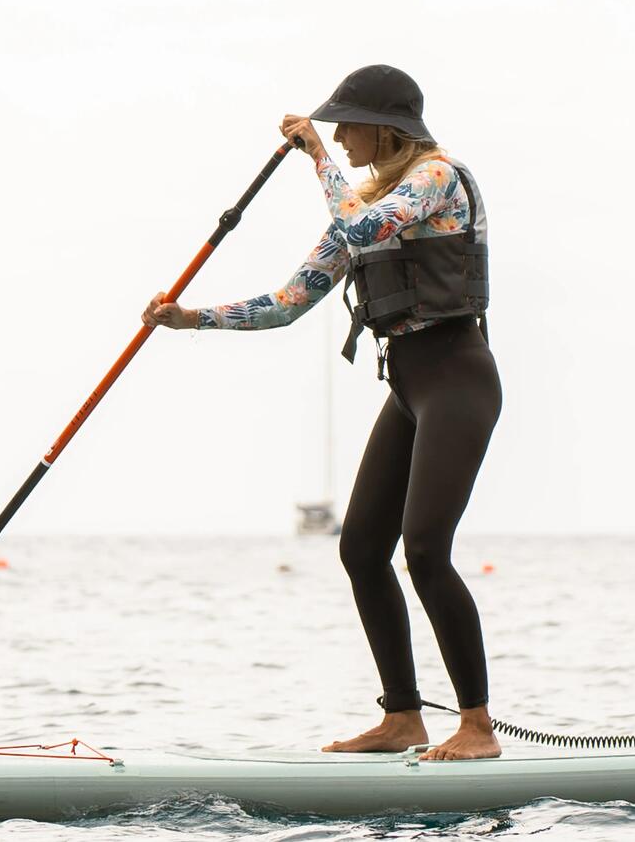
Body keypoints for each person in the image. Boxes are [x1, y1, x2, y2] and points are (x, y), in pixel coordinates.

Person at [142, 65, 501, 761]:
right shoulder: (359, 206)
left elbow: (366, 229)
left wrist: (316, 157)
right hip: (408, 385)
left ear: (386, 128)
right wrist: (190, 319)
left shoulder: (437, 178)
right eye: (330, 126)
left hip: (459, 377)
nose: (337, 133)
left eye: (346, 122)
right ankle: (403, 717)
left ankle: (477, 725)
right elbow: (286, 303)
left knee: (425, 551)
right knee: (361, 548)